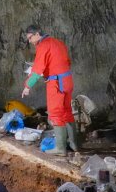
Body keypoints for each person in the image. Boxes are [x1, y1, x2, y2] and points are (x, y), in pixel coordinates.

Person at [21, 25, 78, 155]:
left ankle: (60, 148)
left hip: (56, 83)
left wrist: (27, 86)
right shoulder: (58, 42)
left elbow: (37, 70)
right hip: (67, 80)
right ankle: (74, 144)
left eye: (30, 38)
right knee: (67, 111)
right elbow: (67, 61)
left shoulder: (43, 46)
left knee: (56, 113)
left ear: (36, 34)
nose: (30, 41)